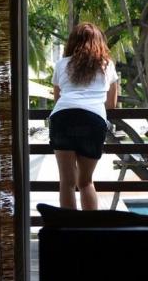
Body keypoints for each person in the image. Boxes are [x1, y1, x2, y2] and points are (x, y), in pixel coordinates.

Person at [48, 22, 119, 210]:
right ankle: (90, 226)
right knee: (86, 182)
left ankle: (69, 227)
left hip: (63, 118)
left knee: (67, 182)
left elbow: (57, 99)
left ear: (72, 41)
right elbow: (111, 104)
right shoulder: (107, 65)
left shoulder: (61, 64)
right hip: (93, 120)